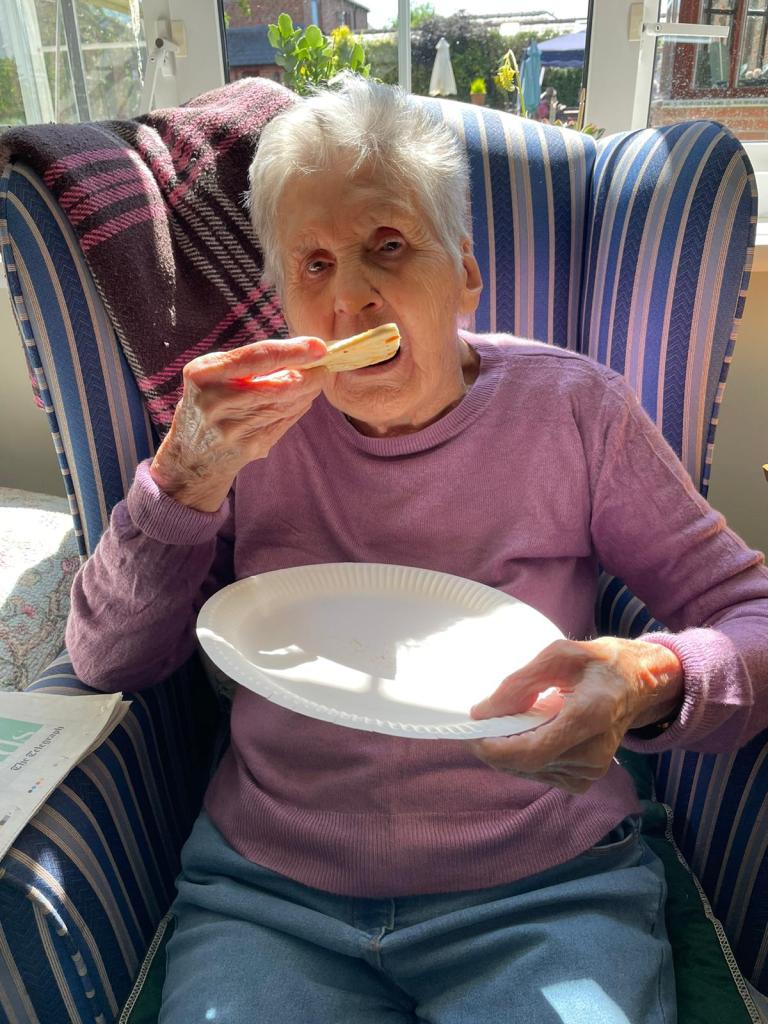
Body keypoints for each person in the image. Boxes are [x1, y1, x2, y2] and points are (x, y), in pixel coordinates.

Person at [65, 75, 768, 1023]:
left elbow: (751, 616)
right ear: (283, 301)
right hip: (266, 897)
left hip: (545, 889)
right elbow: (106, 658)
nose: (350, 296)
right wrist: (185, 475)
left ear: (464, 272)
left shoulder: (575, 411)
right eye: (314, 265)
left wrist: (647, 677)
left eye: (388, 246)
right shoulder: (237, 431)